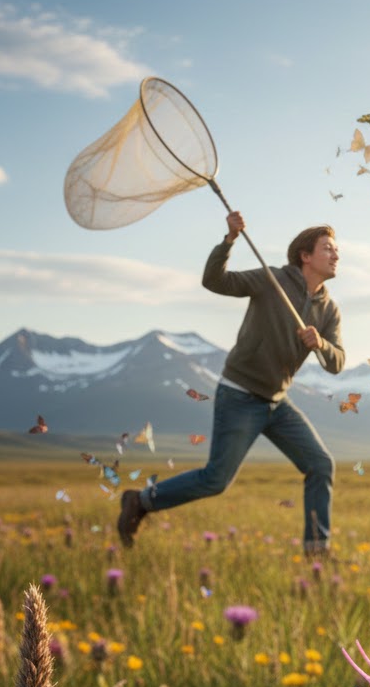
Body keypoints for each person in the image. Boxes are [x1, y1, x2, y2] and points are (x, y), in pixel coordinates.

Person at [118, 211, 344, 555]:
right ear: (305, 256)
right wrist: (229, 241)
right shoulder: (271, 279)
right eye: (327, 248)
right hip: (240, 395)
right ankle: (140, 501)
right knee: (216, 480)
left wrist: (322, 344)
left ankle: (317, 552)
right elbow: (214, 281)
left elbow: (336, 362)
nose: (335, 254)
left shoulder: (329, 310)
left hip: (277, 402)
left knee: (320, 464)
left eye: (336, 249)